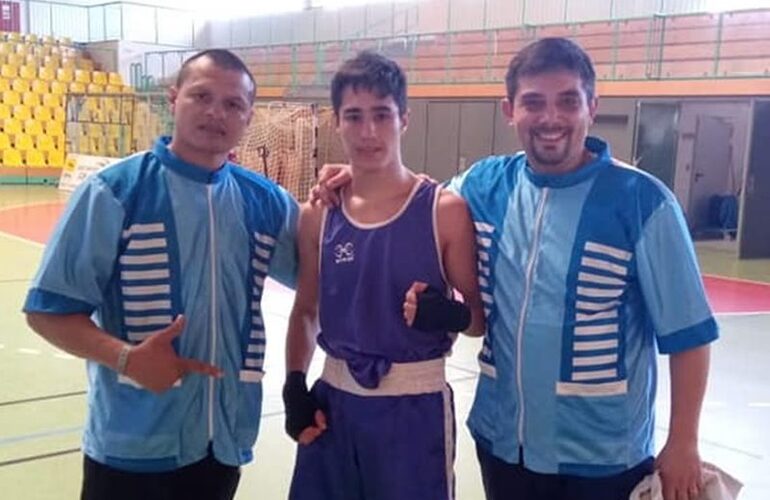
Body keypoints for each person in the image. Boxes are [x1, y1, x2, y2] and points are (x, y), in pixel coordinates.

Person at [312, 37, 718, 500]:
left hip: (604, 458)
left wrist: (683, 441)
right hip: (502, 444)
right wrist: (359, 174)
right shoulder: (482, 185)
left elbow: (690, 335)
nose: (550, 118)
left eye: (568, 101)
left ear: (593, 106)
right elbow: (412, 202)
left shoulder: (645, 203)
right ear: (510, 110)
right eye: (533, 103)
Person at [23, 49, 298, 500]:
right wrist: (126, 358)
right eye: (202, 96)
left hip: (222, 447)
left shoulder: (268, 203)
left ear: (249, 117)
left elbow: (327, 281)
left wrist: (352, 192)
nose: (216, 112)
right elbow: (47, 311)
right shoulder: (114, 192)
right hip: (129, 448)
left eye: (233, 104)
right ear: (173, 99)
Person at [282, 51, 485, 500]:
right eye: (354, 116)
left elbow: (476, 321)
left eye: (381, 115)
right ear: (337, 122)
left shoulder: (444, 211)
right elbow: (306, 310)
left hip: (414, 410)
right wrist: (294, 383)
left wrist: (448, 313)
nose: (368, 131)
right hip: (332, 407)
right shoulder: (318, 213)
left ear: (404, 119)